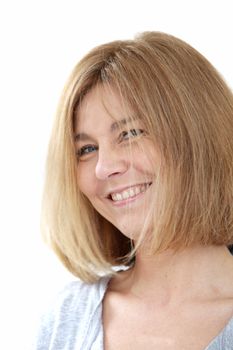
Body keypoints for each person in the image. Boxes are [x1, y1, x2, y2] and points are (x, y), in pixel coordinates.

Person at [34, 32, 233, 349]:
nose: (104, 167)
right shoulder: (64, 320)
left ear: (199, 135)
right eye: (86, 149)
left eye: (130, 132)